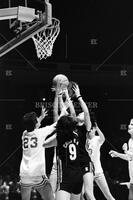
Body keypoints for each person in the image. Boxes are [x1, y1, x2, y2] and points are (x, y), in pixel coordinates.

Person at [19, 106, 56, 200]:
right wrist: (64, 111)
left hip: (24, 174)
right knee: (50, 198)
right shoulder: (41, 132)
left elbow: (32, 126)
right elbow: (56, 124)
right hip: (37, 174)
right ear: (35, 123)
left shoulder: (24, 134)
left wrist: (41, 117)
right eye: (37, 120)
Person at [85, 122, 115, 200]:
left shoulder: (97, 138)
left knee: (108, 195)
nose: (90, 131)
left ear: (94, 129)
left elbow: (103, 139)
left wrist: (97, 127)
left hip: (98, 172)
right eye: (89, 129)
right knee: (87, 195)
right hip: (88, 172)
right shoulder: (85, 140)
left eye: (92, 129)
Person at [109, 118, 133, 200]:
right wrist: (117, 154)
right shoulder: (130, 141)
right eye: (130, 124)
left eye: (132, 124)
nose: (129, 126)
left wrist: (126, 151)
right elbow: (130, 158)